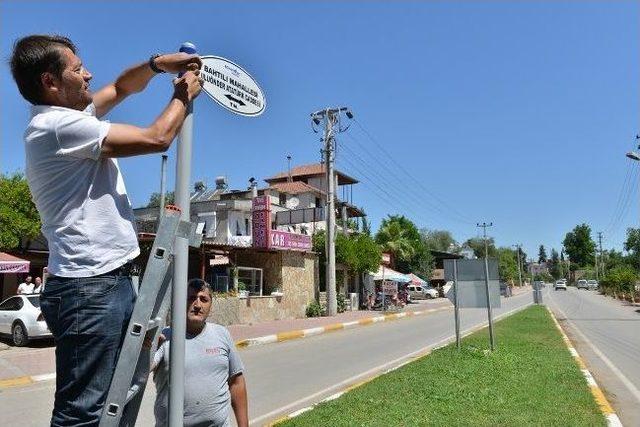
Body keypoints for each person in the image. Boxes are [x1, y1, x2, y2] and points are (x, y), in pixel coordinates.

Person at [10, 34, 203, 426]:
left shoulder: (71, 118)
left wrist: (155, 64)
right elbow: (157, 137)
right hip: (89, 287)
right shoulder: (57, 127)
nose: (88, 74)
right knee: (82, 414)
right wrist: (183, 96)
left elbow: (119, 87)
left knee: (112, 403)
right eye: (78, 69)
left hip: (103, 281)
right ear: (50, 82)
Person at [153, 279, 248, 427]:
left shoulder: (222, 334)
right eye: (191, 298)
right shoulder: (164, 337)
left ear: (210, 306)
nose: (197, 305)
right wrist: (145, 349)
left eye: (204, 299)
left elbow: (236, 382)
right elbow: (140, 372)